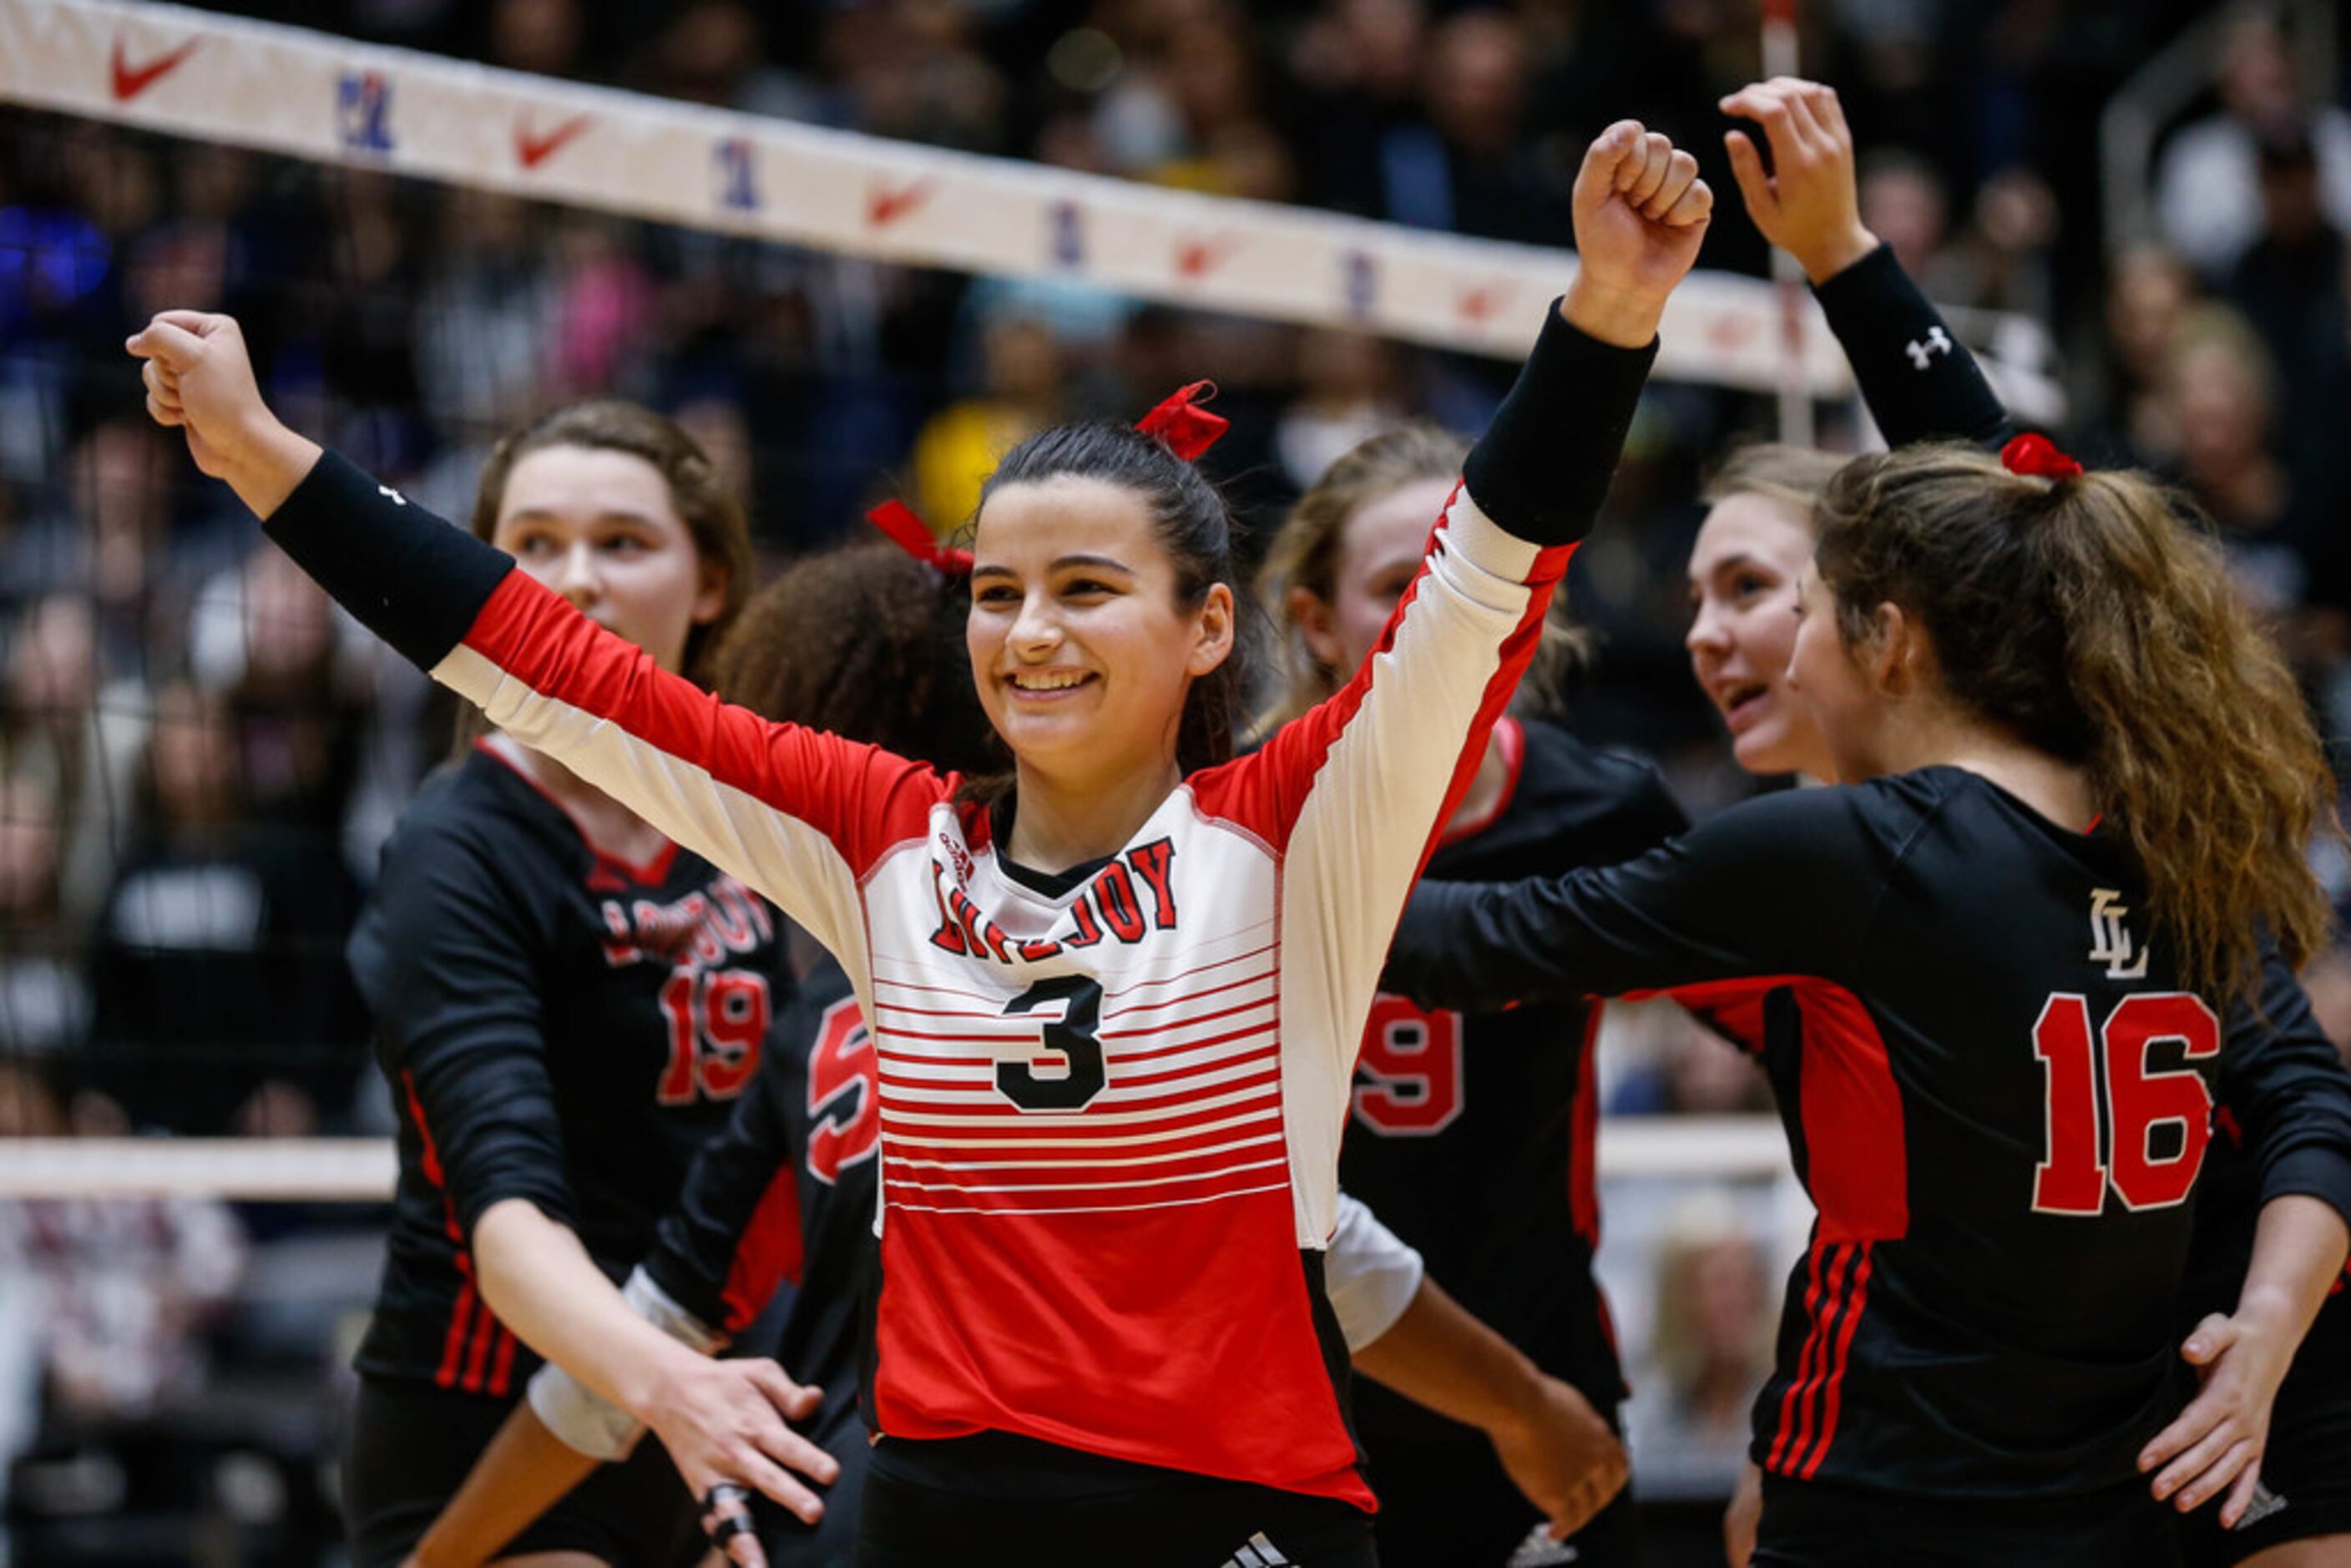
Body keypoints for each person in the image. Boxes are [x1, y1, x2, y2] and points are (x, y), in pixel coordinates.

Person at [133, 119, 1714, 1568]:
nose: (1030, 631)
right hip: (937, 1516)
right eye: (999, 593)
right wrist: (271, 459)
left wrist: (1608, 313)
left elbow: (1481, 585)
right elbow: (557, 669)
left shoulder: (1301, 829)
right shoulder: (881, 840)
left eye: (1087, 588)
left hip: (1239, 1516)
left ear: (1209, 625)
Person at [404, 537, 1632, 1567]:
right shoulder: (1203, 929)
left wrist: (437, 1553)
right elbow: (1341, 1263)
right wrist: (1528, 1405)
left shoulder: (817, 1031)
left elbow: (648, 1334)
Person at [1707, 77, 2351, 1568]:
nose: (1717, 636)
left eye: (1759, 590)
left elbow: (2022, 522)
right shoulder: (1820, 851)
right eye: (1700, 593)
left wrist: (1849, 256)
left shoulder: (2086, 793)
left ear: (1888, 624)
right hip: (2066, 1390)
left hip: (2249, 1320)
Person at [313, 399, 792, 1567]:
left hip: (726, 1384)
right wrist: (673, 1382)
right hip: (495, 1416)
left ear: (713, 580)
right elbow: (508, 1219)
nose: (575, 581)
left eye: (623, 542)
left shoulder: (767, 809)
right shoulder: (458, 846)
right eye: (532, 545)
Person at [1256, 421, 1684, 1566]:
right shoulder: (1234, 824)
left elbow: (1799, 1033)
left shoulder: (1606, 809)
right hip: (1299, 1397)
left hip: (1542, 1375)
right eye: (1399, 585)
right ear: (1312, 622)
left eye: (1460, 577)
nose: (1438, 615)